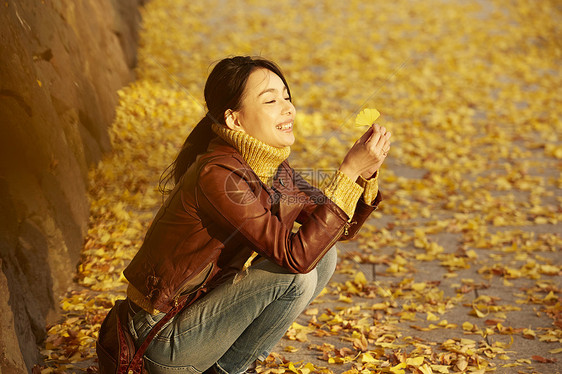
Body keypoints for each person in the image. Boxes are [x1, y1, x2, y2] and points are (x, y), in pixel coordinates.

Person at [123, 56, 391, 374]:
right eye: (271, 100)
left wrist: (365, 176)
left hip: (199, 316)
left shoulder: (270, 167)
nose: (288, 108)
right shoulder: (218, 174)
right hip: (160, 337)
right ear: (234, 120)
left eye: (287, 97)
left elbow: (335, 229)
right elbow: (296, 260)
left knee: (324, 256)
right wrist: (347, 170)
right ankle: (230, 369)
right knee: (296, 274)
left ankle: (231, 365)